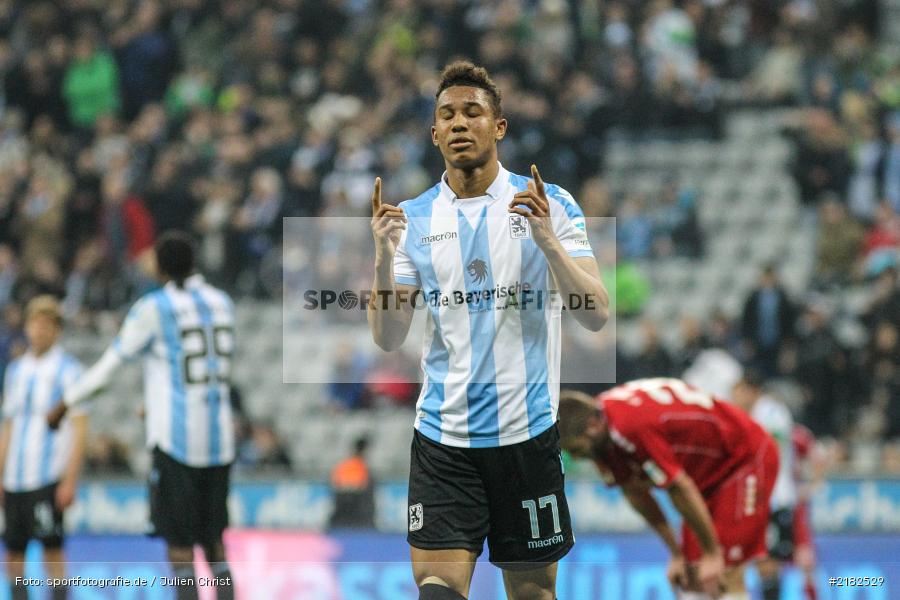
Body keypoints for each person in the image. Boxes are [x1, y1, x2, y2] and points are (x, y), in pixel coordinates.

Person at [368, 61, 609, 600]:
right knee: (437, 590)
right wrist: (383, 258)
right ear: (433, 134)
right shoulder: (412, 219)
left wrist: (546, 240)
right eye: (447, 114)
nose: (459, 123)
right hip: (443, 438)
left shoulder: (549, 203)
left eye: (472, 111)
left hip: (526, 437)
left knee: (532, 595)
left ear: (498, 126)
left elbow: (595, 312)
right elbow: (387, 335)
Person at [47, 231, 236, 600]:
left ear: (161, 267)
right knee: (215, 546)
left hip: (175, 443)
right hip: (220, 443)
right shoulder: (222, 302)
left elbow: (109, 367)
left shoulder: (154, 308)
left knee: (179, 548)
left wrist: (64, 403)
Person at [558, 379, 779, 600]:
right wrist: (677, 553)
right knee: (691, 573)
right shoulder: (600, 430)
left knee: (725, 570)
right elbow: (636, 494)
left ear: (593, 427)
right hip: (706, 476)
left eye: (577, 449)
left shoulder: (630, 428)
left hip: (745, 458)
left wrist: (712, 552)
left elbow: (679, 487)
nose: (578, 457)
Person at [0, 295, 87, 600]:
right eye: (34, 323)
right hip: (15, 479)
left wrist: (69, 480)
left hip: (47, 476)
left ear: (57, 330)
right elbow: (8, 426)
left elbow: (79, 427)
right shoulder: (15, 371)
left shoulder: (69, 371)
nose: (38, 331)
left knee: (52, 551)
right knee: (13, 555)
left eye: (46, 325)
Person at [731, 373, 797, 600]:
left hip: (774, 497)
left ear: (751, 390)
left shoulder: (771, 413)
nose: (734, 398)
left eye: (737, 392)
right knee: (761, 561)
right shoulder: (752, 414)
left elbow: (771, 452)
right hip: (760, 497)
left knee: (769, 562)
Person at [329, 436, 376, 529]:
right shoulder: (358, 466)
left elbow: (336, 483)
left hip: (344, 506)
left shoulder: (345, 465)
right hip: (353, 508)